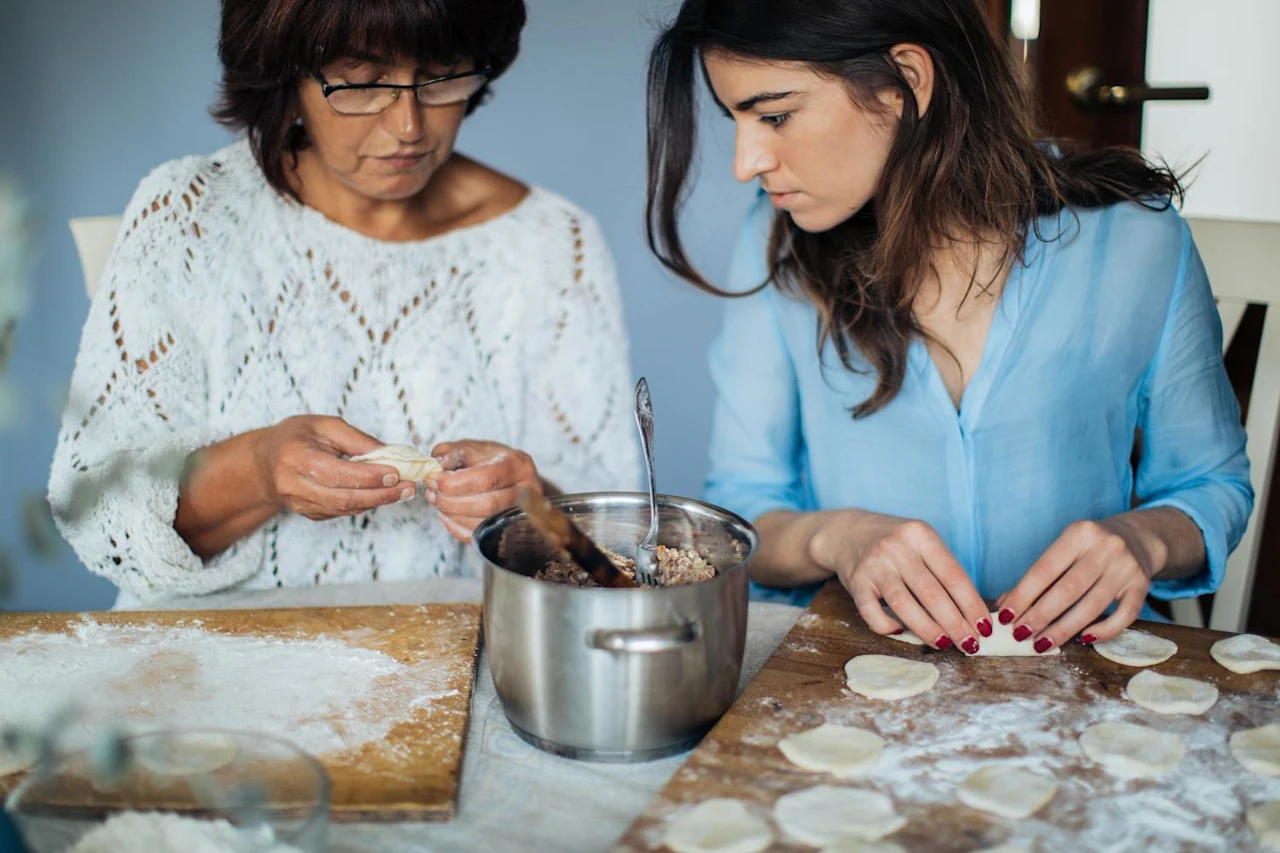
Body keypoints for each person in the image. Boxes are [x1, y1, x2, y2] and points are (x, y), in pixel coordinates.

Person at [645, 0, 1251, 654]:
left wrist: (1144, 538)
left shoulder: (1136, 242)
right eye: (737, 119)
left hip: (1084, 679)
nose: (747, 162)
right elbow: (743, 512)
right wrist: (838, 536)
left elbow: (1210, 485)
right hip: (853, 669)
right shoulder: (772, 243)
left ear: (907, 79)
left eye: (776, 116)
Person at [49, 0, 637, 606]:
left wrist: (528, 507)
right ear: (285, 77)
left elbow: (614, 551)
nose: (408, 125)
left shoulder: (553, 242)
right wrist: (259, 469)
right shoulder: (191, 215)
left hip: (452, 665)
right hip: (211, 668)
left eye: (443, 75)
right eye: (360, 83)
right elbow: (92, 514)